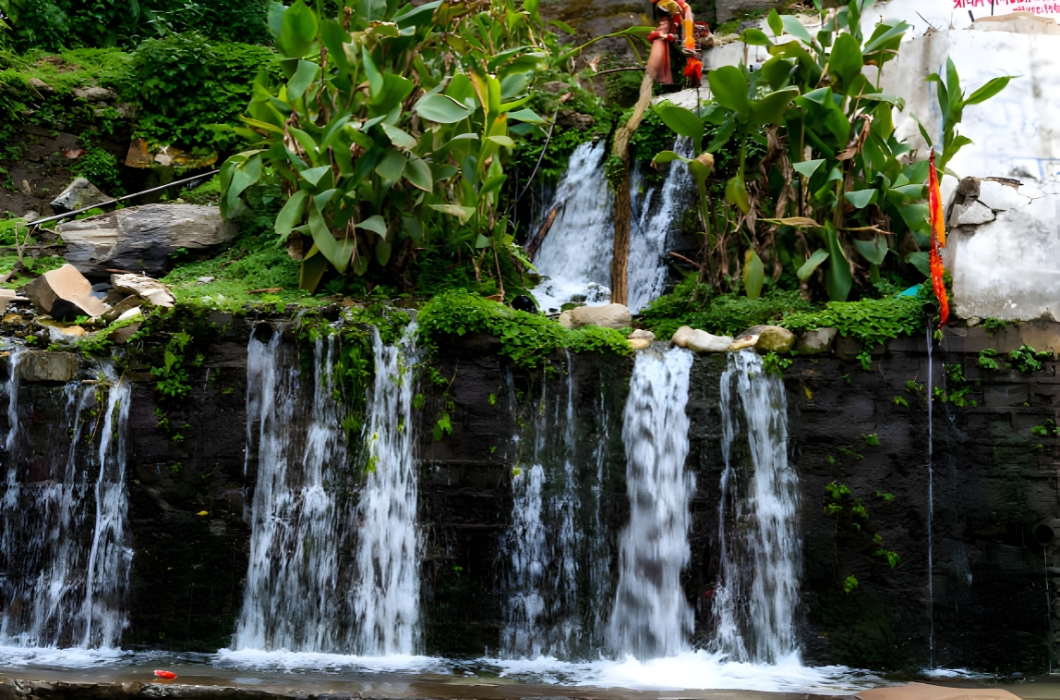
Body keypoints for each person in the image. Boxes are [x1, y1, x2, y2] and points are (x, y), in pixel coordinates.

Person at [646, 0, 698, 85]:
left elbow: (677, 35)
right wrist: (659, 34)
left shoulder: (680, 9)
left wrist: (663, 35)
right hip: (670, 41)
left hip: (679, 40)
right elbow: (651, 37)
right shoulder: (665, 20)